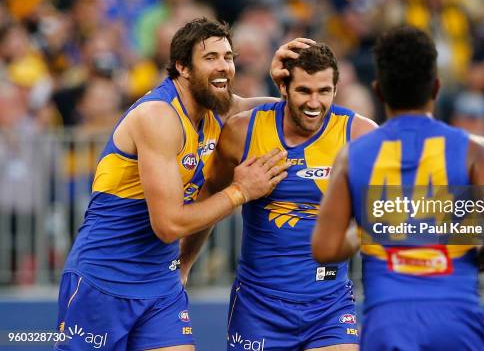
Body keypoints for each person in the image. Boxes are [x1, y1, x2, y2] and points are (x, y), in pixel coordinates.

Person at [55, 17, 312, 351]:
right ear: (182, 67)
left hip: (161, 284)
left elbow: (273, 112)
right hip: (104, 281)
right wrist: (241, 191)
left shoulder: (213, 107)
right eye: (211, 58)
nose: (224, 67)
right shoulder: (158, 116)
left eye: (228, 57)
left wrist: (288, 85)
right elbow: (169, 224)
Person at [311, 26, 484, 350]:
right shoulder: (475, 149)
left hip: (388, 321)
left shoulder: (354, 156)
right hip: (457, 318)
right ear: (436, 87)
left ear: (378, 91)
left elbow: (323, 249)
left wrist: (365, 231)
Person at [187, 43, 376, 350]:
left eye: (324, 91)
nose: (315, 102)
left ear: (336, 88)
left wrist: (478, 219)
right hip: (258, 307)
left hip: (329, 306)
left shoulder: (359, 134)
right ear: (283, 87)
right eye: (304, 91)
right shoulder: (243, 131)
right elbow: (209, 198)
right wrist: (183, 264)